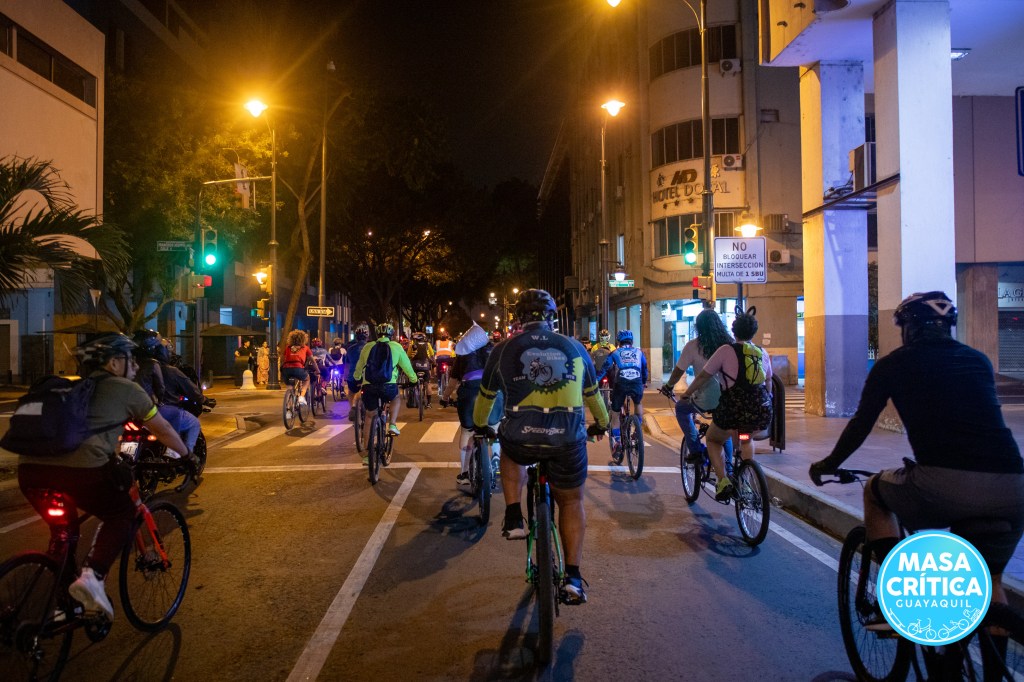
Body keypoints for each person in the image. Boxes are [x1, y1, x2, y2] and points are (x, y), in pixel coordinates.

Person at [810, 291, 1024, 610]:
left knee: (873, 490)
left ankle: (897, 594)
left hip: (945, 484)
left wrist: (829, 463)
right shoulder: (978, 360)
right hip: (1014, 486)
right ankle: (996, 638)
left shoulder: (893, 365)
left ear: (910, 328)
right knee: (989, 579)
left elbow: (861, 424)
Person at [17, 334, 190, 621]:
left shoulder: (75, 388)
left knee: (64, 534)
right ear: (113, 363)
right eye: (130, 359)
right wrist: (186, 455)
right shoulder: (127, 389)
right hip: (81, 472)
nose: (136, 365)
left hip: (30, 473)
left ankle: (66, 605)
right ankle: (93, 578)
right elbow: (163, 430)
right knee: (121, 513)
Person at [473, 289, 609, 604]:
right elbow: (593, 397)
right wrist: (601, 425)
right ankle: (573, 578)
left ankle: (513, 516)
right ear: (552, 317)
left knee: (508, 446)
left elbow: (486, 399)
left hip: (522, 439)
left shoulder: (502, 350)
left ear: (519, 318)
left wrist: (481, 425)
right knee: (571, 502)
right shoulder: (575, 347)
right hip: (567, 441)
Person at [678, 307, 773, 501]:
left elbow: (703, 376)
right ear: (753, 333)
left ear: (734, 331)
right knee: (746, 439)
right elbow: (769, 381)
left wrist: (687, 393)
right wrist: (766, 400)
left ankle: (723, 481)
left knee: (713, 439)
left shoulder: (726, 350)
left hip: (733, 408)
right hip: (760, 409)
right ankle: (746, 482)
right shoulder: (761, 352)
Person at [661, 309, 734, 458]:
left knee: (681, 408)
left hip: (704, 400)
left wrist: (669, 386)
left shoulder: (693, 346)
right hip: (729, 399)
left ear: (698, 327)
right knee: (724, 428)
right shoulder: (730, 344)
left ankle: (695, 449)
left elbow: (678, 371)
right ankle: (729, 463)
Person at [442, 326, 503, 486]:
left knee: (467, 431)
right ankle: (496, 458)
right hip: (493, 393)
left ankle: (464, 473)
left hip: (468, 393)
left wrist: (445, 397)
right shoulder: (495, 351)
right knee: (495, 425)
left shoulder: (464, 354)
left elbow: (453, 382)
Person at [133, 329, 201, 458]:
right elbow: (160, 388)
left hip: (130, 411)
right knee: (187, 419)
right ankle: (178, 452)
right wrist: (159, 400)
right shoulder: (154, 364)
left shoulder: (132, 363)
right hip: (148, 408)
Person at [353, 322, 418, 447]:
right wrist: (413, 380)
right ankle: (392, 424)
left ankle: (367, 452)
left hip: (369, 385)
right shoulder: (396, 347)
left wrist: (357, 379)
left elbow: (359, 367)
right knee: (396, 398)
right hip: (388, 386)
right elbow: (407, 367)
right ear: (391, 335)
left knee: (369, 416)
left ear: (377, 334)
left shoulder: (367, 347)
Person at [596, 329, 648, 459]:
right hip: (636, 382)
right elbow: (644, 368)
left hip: (621, 383)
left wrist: (595, 381)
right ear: (632, 341)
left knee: (615, 411)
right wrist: (643, 382)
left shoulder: (615, 352)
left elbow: (605, 368)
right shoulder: (639, 352)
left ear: (618, 342)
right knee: (638, 402)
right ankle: (637, 431)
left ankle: (618, 442)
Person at [281, 329, 313, 405]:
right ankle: (301, 397)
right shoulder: (305, 348)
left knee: (289, 385)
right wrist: (317, 370)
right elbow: (312, 360)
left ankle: (289, 405)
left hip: (286, 369)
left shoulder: (288, 347)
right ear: (303, 339)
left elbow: (283, 358)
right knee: (307, 379)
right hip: (298, 368)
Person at [345, 325, 370, 421]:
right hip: (367, 375)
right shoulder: (370, 347)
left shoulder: (350, 349)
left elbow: (347, 364)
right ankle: (357, 405)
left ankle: (352, 407)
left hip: (353, 375)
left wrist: (345, 377)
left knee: (351, 391)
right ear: (367, 337)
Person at [406, 331, 434, 408]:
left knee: (413, 381)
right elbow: (432, 355)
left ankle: (412, 400)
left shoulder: (412, 345)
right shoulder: (428, 345)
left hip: (415, 367)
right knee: (427, 384)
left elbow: (408, 356)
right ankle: (429, 403)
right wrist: (433, 362)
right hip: (426, 366)